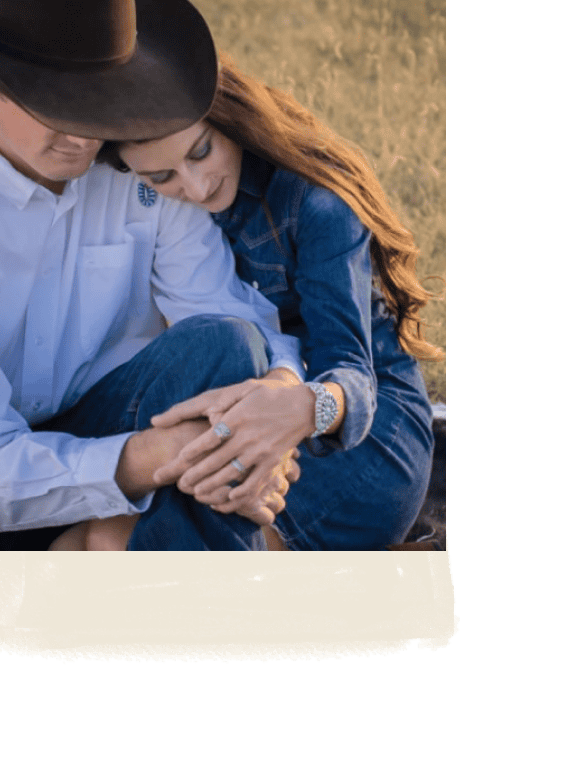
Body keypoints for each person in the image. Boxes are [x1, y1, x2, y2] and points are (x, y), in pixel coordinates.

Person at [0, 0, 305, 551]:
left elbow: (228, 317)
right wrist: (162, 456)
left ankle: (171, 593)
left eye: (100, 103)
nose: (84, 138)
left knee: (228, 346)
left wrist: (270, 408)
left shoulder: (138, 159)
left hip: (117, 417)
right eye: (58, 108)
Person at [81, 52, 444, 551]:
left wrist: (297, 409)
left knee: (110, 545)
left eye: (201, 151)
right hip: (235, 413)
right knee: (85, 540)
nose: (194, 186)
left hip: (360, 438)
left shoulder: (314, 204)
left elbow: (353, 374)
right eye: (161, 178)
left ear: (227, 117)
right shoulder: (154, 211)